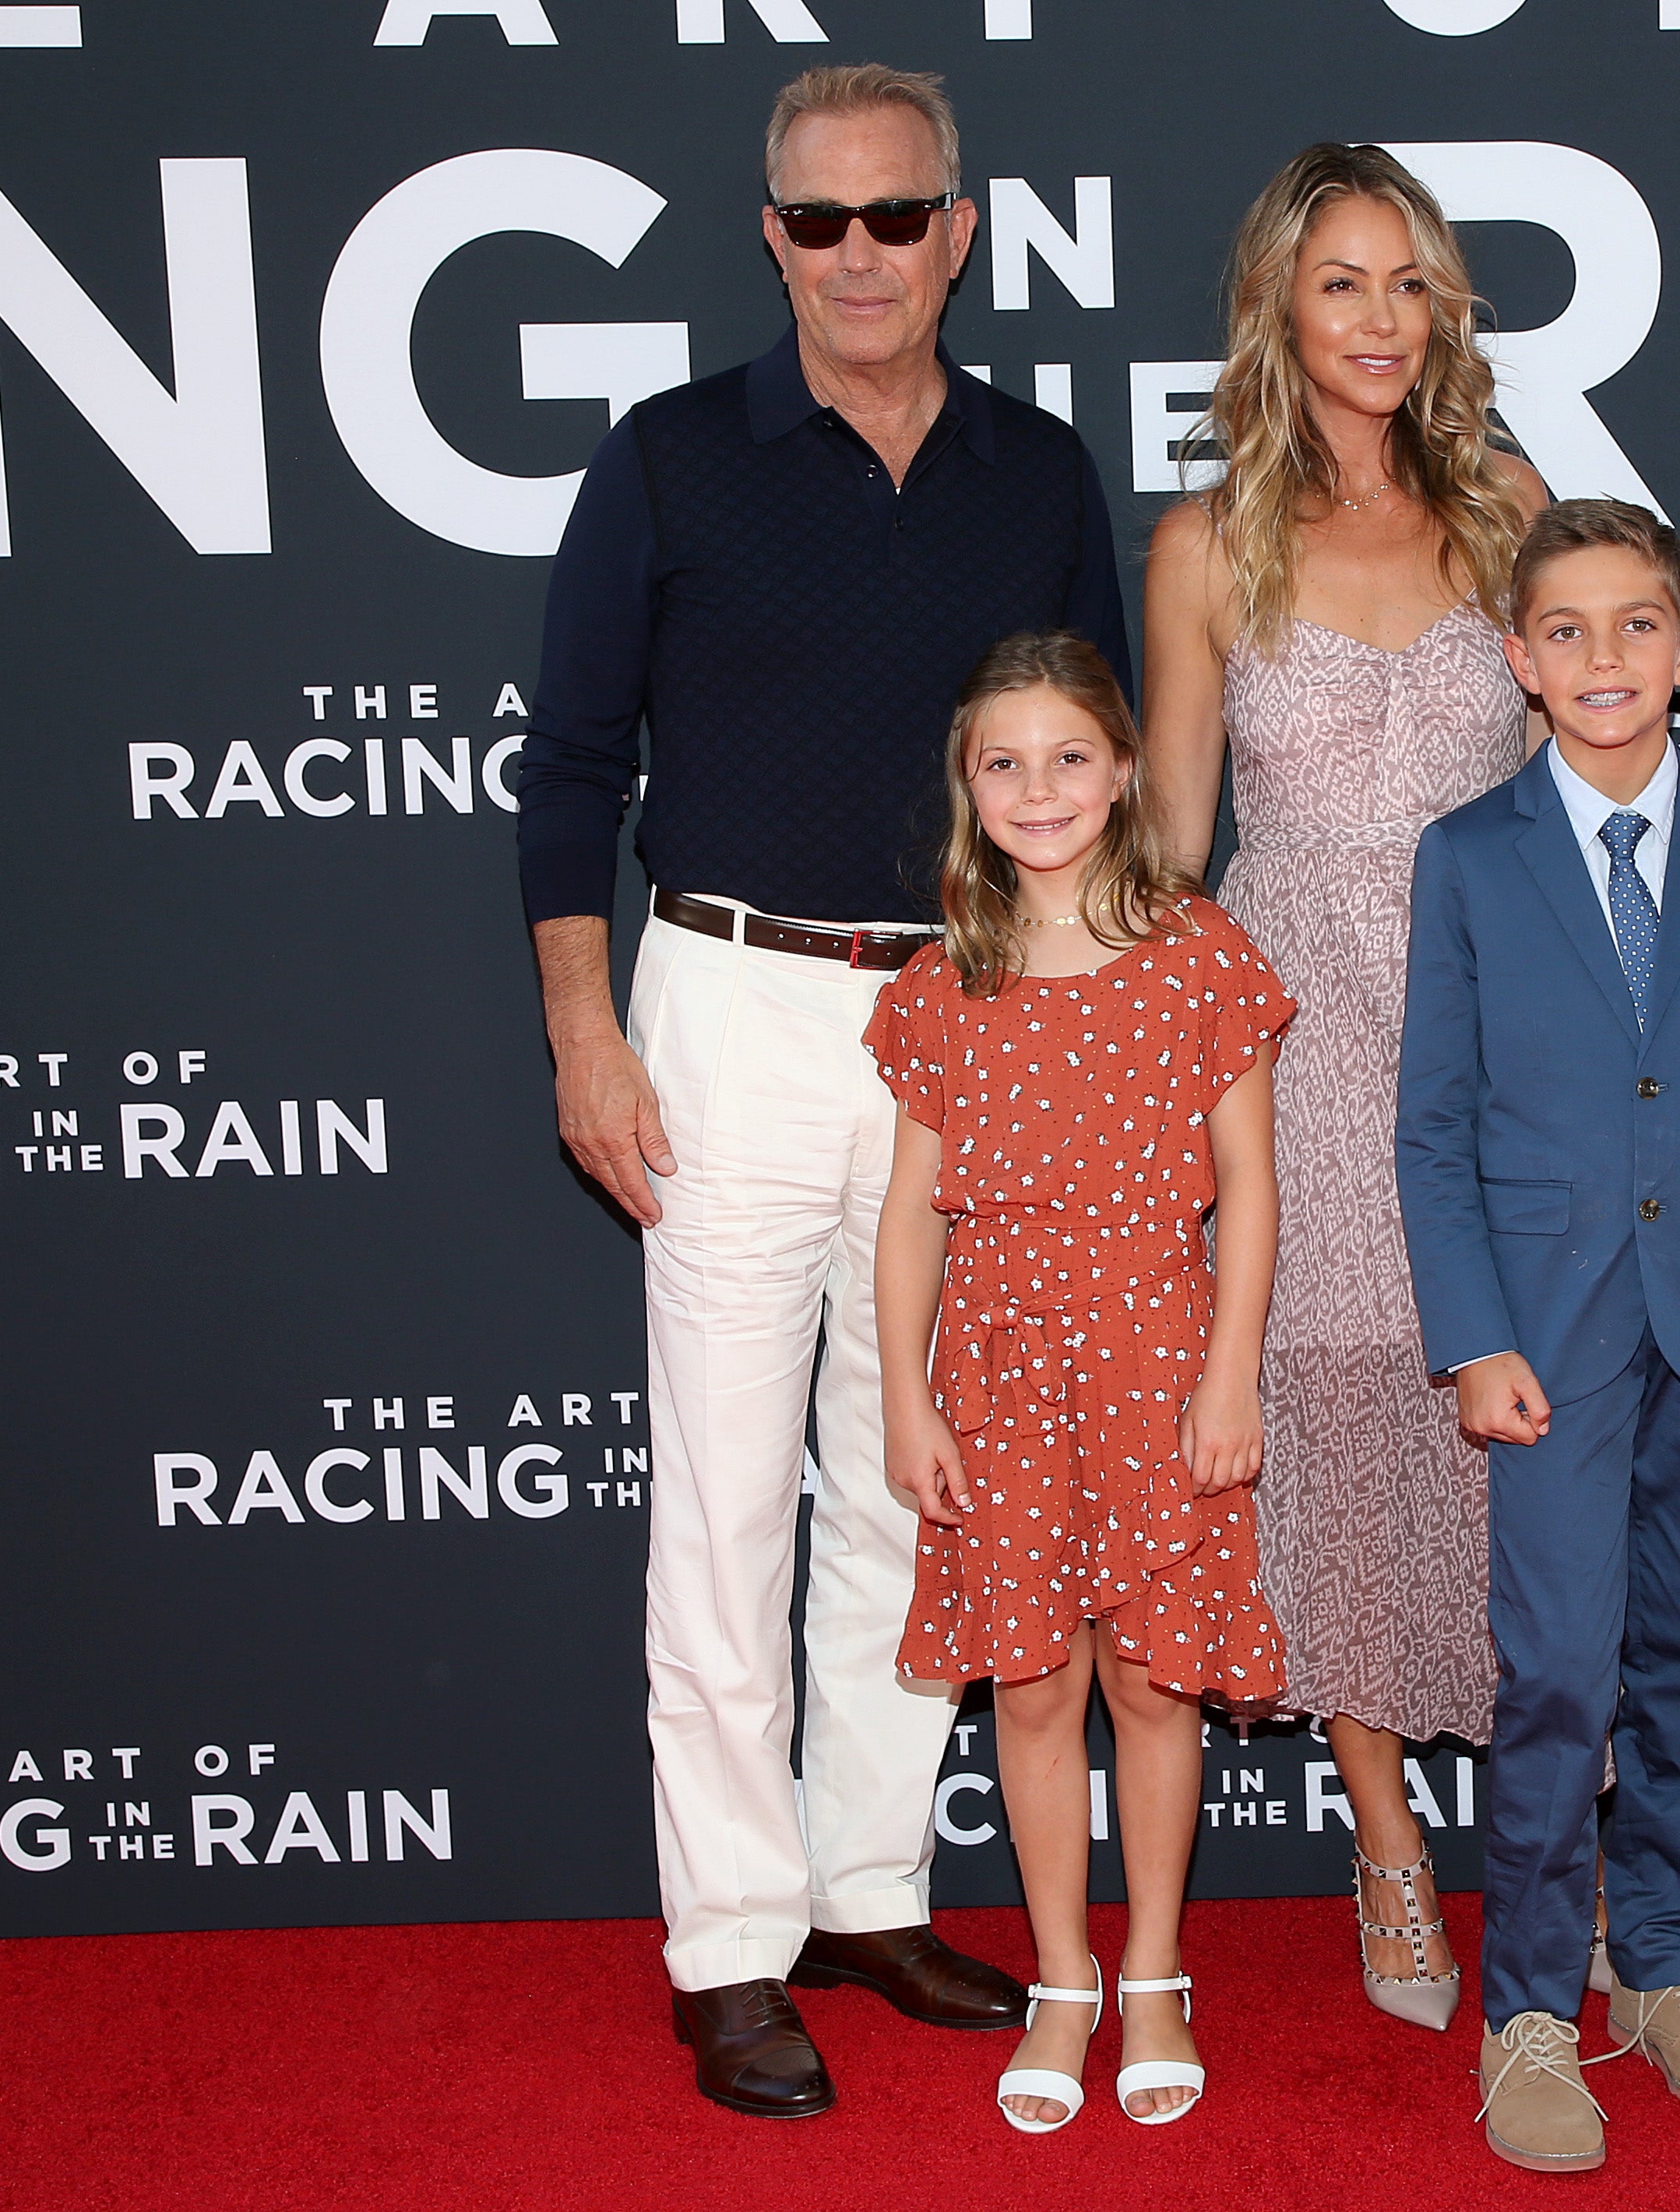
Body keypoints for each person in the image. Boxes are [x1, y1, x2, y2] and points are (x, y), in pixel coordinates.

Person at [511, 64, 1131, 2117]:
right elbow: (571, 768)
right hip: (731, 1008)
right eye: (817, 221)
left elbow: (1089, 776)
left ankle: (870, 1887)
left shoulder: (1041, 470)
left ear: (959, 231)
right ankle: (728, 1942)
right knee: (720, 1500)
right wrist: (583, 1029)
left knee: (911, 1486)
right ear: (768, 236)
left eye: (896, 216)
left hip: (960, 1030)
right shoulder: (672, 459)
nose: (858, 255)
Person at [1396, 500, 1680, 2173]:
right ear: (1519, 660)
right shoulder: (1469, 856)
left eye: (1637, 625)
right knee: (1559, 1674)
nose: (1605, 659)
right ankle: (1530, 2006)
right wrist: (1472, 1335)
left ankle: (1665, 1966)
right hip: (1549, 1335)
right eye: (1568, 631)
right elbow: (1430, 1129)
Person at [1142, 141, 1544, 2029]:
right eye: (1343, 285)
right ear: (1280, 312)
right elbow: (1162, 837)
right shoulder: (1208, 540)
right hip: (1294, 1036)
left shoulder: (1509, 512)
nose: (1382, 321)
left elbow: (1608, 780)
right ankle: (1389, 1854)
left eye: (1409, 283)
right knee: (1338, 1437)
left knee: (1531, 1436)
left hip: (1507, 1024)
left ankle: (1557, 1846)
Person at [868, 632, 1294, 2133]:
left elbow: (1250, 1183)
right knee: (1033, 1686)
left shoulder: (1199, 949)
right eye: (1004, 763)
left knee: (1154, 1681)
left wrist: (1230, 1371)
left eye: (1068, 757)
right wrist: (908, 1398)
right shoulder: (941, 982)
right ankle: (1062, 1978)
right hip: (999, 1374)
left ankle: (1158, 1970)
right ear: (969, 788)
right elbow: (913, 1211)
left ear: (1122, 770)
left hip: (1160, 1358)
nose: (1038, 789)